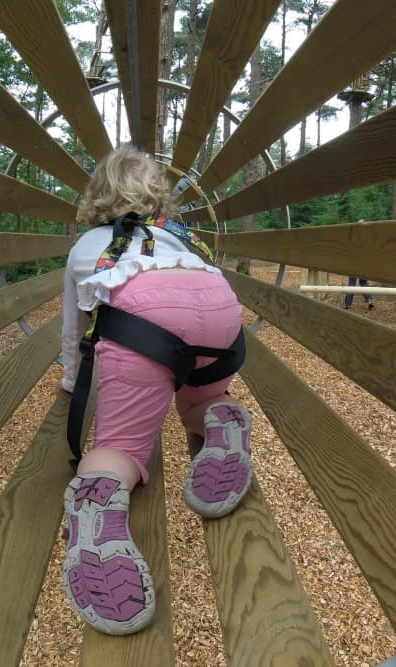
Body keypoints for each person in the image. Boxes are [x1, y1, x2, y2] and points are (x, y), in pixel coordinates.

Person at [59, 146, 252, 636]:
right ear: (158, 195)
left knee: (120, 449)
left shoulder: (89, 245)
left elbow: (76, 329)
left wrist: (69, 378)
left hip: (147, 325)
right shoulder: (179, 236)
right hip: (222, 315)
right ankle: (218, 416)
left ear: (97, 194)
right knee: (198, 402)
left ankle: (98, 503)